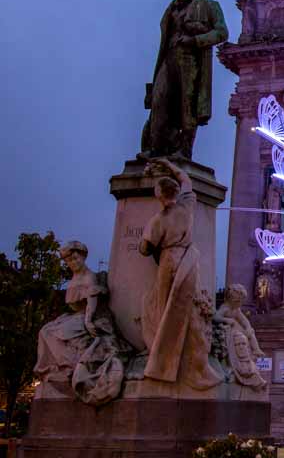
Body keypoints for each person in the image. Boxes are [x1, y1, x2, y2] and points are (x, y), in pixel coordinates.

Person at [139, 158, 223, 389]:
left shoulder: (159, 219)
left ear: (159, 195)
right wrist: (168, 164)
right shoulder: (187, 206)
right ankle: (194, 365)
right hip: (189, 258)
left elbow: (145, 248)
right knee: (187, 306)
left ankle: (161, 364)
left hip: (169, 261)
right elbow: (185, 178)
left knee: (165, 310)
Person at [140, 0, 227, 160]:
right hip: (169, 57)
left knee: (188, 104)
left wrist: (196, 40)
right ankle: (157, 146)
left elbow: (222, 33)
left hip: (191, 60)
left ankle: (185, 149)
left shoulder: (211, 6)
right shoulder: (174, 7)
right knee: (159, 100)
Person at [34, 241, 127, 404]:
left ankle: (67, 365)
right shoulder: (74, 279)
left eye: (76, 258)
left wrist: (89, 320)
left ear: (83, 257)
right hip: (75, 316)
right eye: (69, 261)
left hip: (87, 318)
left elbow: (92, 302)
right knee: (45, 331)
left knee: (50, 332)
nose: (73, 263)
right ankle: (60, 367)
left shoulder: (89, 277)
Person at [215, 284, 266, 388]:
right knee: (242, 338)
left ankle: (256, 349)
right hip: (230, 333)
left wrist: (247, 328)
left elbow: (245, 321)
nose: (240, 304)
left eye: (241, 301)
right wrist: (226, 320)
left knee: (251, 331)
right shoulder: (225, 308)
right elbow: (216, 317)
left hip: (237, 332)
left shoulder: (236, 310)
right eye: (239, 301)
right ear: (232, 299)